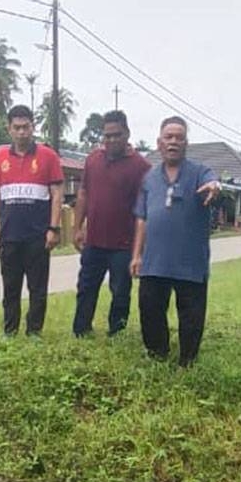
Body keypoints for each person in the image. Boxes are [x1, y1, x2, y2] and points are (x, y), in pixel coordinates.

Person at [130, 116, 221, 366]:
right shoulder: (149, 178)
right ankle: (157, 353)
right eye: (168, 137)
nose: (173, 142)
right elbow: (142, 218)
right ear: (159, 143)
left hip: (189, 262)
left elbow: (213, 182)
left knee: (191, 315)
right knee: (150, 310)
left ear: (186, 143)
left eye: (178, 137)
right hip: (154, 262)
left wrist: (214, 187)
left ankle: (187, 360)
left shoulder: (199, 171)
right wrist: (137, 255)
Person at [72, 110, 151, 337]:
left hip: (123, 245)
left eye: (116, 134)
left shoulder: (141, 167)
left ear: (127, 133)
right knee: (86, 287)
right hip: (94, 240)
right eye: (107, 135)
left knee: (120, 291)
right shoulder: (93, 160)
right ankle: (81, 330)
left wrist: (138, 249)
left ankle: (117, 332)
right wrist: (77, 228)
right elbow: (84, 193)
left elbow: (142, 212)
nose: (111, 140)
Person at [0, 105, 65, 336]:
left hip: (37, 237)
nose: (22, 132)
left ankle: (34, 332)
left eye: (26, 127)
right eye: (17, 128)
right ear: (9, 129)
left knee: (37, 289)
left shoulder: (48, 156)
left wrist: (53, 228)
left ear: (33, 127)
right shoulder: (0, 158)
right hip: (9, 237)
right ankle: (9, 331)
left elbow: (57, 194)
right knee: (10, 288)